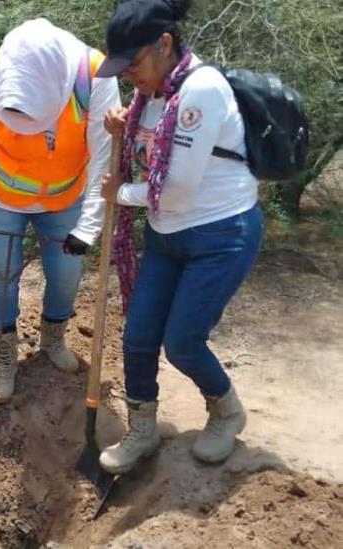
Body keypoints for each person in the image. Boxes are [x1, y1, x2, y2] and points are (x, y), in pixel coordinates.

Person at [95, 0, 264, 473]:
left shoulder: (201, 90)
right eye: (122, 68)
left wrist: (119, 192)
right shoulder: (151, 94)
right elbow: (155, 154)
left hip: (220, 234)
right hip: (166, 236)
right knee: (138, 336)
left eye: (134, 63)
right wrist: (123, 128)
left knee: (184, 342)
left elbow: (180, 189)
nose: (130, 76)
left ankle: (227, 412)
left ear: (164, 44)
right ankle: (143, 430)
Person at [0, 18, 120, 402]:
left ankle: (52, 339)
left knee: (65, 274)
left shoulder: (94, 75)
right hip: (2, 196)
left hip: (65, 198)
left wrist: (88, 225)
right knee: (2, 279)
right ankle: (4, 356)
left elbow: (103, 156)